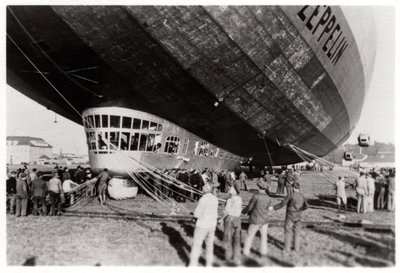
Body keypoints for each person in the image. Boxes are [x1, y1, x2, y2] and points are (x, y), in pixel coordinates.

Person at [269, 182, 308, 252]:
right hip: (298, 216)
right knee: (297, 232)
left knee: (287, 231)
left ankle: (287, 248)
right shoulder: (302, 196)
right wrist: (300, 210)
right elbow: (307, 206)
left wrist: (273, 208)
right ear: (299, 188)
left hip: (290, 215)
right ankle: (296, 248)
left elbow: (282, 204)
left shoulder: (290, 195)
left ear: (293, 187)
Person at [189, 183, 218, 267]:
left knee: (196, 245)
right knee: (209, 246)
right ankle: (209, 265)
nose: (202, 187)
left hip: (202, 225)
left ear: (207, 189)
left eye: (204, 186)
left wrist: (194, 215)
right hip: (212, 225)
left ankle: (193, 265)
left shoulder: (203, 199)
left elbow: (197, 214)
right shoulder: (215, 199)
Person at [242, 181, 272, 257]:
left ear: (258, 187)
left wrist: (244, 211)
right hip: (265, 220)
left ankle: (246, 252)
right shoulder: (268, 198)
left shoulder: (256, 196)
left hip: (255, 219)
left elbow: (249, 207)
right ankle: (263, 253)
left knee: (249, 235)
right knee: (264, 237)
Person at [218, 185, 242, 265]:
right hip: (237, 219)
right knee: (237, 238)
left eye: (231, 188)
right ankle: (237, 257)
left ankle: (228, 256)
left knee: (228, 237)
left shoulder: (229, 200)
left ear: (235, 190)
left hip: (230, 219)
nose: (229, 189)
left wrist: (221, 219)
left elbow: (227, 211)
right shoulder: (239, 199)